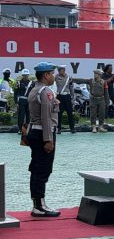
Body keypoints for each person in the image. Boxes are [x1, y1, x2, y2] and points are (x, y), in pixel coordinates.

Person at [27, 62, 61, 217]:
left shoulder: (34, 89)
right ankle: (39, 206)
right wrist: (48, 139)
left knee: (36, 168)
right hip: (43, 133)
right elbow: (47, 118)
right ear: (46, 75)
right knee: (43, 170)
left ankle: (37, 203)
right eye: (52, 73)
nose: (53, 76)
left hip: (34, 132)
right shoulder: (46, 91)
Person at [73, 69, 109, 133]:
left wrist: (107, 102)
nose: (94, 75)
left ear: (99, 75)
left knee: (102, 113)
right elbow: (82, 80)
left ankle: (100, 126)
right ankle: (94, 127)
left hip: (101, 99)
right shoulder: (91, 81)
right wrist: (73, 80)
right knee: (93, 113)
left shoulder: (104, 82)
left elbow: (106, 93)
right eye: (94, 74)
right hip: (93, 99)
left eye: (96, 74)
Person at [54, 65, 76, 134]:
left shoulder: (69, 77)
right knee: (59, 113)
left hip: (67, 96)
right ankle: (59, 128)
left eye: (63, 70)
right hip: (60, 96)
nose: (62, 71)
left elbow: (71, 87)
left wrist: (73, 96)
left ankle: (72, 128)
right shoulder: (56, 77)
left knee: (70, 113)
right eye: (61, 70)